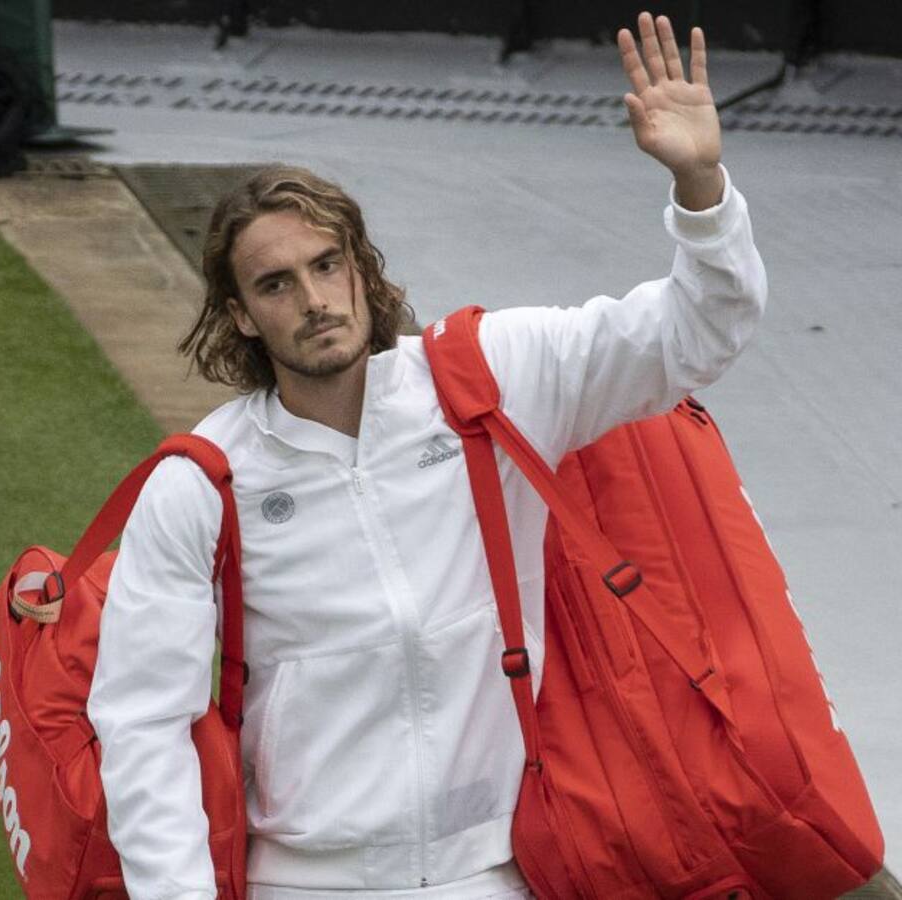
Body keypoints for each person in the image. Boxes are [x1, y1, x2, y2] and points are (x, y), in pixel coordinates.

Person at [88, 11, 768, 899]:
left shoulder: (490, 378)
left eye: (328, 265)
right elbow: (142, 720)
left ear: (361, 270)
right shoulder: (200, 482)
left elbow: (697, 333)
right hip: (302, 881)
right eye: (276, 283)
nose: (315, 299)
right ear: (243, 315)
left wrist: (700, 182)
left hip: (500, 867)